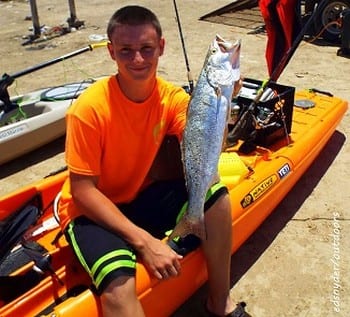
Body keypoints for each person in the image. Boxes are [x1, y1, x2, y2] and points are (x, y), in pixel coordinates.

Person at [58, 5, 246, 317]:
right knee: (118, 290)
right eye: (126, 51)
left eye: (146, 48)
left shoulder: (172, 98)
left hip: (139, 196)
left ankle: (219, 304)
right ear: (111, 52)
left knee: (216, 196)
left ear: (161, 47)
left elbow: (207, 148)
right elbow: (82, 191)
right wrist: (146, 243)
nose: (138, 60)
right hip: (90, 213)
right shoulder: (88, 109)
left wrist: (222, 105)